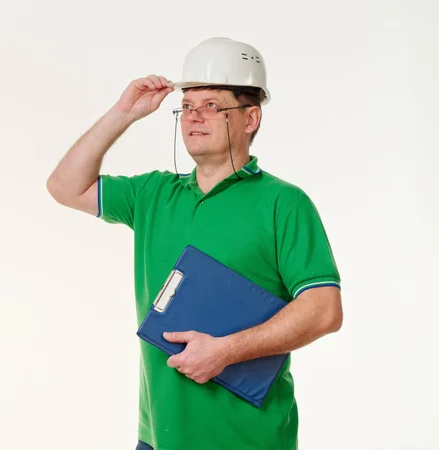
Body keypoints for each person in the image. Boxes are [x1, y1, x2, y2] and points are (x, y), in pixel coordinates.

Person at [47, 37, 343, 450]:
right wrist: (123, 114)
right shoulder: (152, 194)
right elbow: (63, 186)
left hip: (248, 440)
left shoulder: (284, 203)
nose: (193, 118)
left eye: (211, 106)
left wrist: (226, 351)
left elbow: (324, 310)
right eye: (186, 107)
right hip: (159, 437)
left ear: (250, 118)